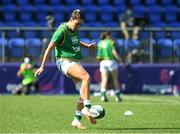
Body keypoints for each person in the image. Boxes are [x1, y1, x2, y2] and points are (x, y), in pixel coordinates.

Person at [35, 9, 97, 129]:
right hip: (64, 61)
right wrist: (42, 66)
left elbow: (75, 41)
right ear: (71, 19)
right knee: (86, 77)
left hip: (74, 61)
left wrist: (87, 46)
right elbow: (49, 49)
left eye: (80, 24)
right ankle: (87, 109)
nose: (78, 26)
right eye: (77, 23)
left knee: (82, 91)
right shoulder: (61, 30)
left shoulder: (74, 30)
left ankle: (76, 120)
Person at [96, 31, 123, 102]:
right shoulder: (111, 42)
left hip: (103, 62)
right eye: (110, 35)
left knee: (104, 80)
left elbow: (98, 56)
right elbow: (114, 52)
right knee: (115, 79)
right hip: (111, 61)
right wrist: (120, 60)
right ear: (107, 36)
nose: (111, 36)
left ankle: (103, 96)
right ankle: (117, 97)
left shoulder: (100, 43)